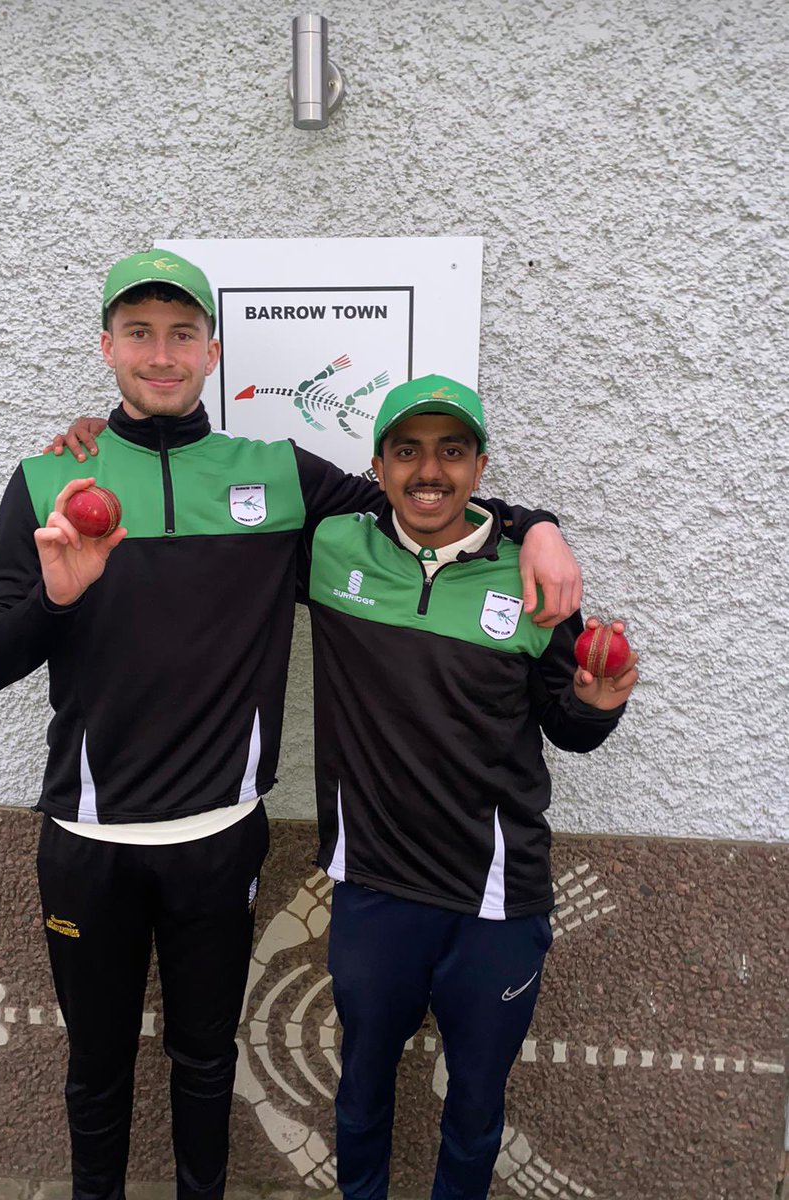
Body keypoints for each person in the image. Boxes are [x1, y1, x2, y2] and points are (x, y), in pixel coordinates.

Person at [0, 250, 583, 1200]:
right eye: (139, 333)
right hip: (87, 839)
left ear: (214, 350)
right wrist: (55, 600)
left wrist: (537, 523)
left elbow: (418, 512)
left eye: (182, 334)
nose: (160, 355)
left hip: (220, 835)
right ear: (107, 346)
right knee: (95, 1070)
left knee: (206, 1062)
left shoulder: (277, 475)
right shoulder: (51, 475)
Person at [300, 375, 638, 1200]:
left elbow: (567, 726)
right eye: (408, 451)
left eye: (452, 452)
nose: (429, 472)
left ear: (480, 465)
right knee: (360, 1096)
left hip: (496, 901)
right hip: (375, 891)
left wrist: (598, 705)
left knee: (476, 1110)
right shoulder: (331, 547)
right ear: (376, 466)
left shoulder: (530, 583)